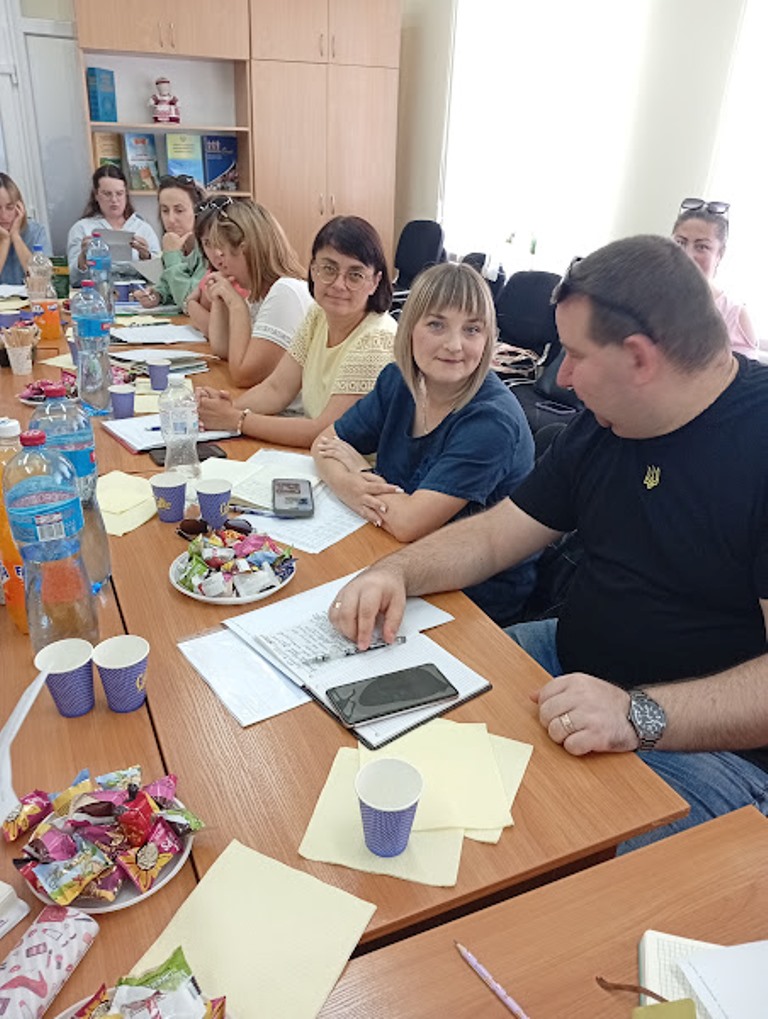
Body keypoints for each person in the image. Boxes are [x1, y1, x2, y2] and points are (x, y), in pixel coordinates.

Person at [328, 234, 768, 852]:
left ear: (639, 358)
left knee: (549, 858)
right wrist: (395, 572)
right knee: (390, 717)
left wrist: (635, 714)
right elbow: (496, 535)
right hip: (568, 665)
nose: (561, 376)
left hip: (703, 741)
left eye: (576, 354)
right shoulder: (608, 422)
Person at [311, 261, 536, 624]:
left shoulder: (491, 421)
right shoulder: (399, 380)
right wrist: (353, 483)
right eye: (436, 324)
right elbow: (324, 442)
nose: (455, 345)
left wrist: (359, 470)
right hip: (395, 555)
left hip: (470, 597)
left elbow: (409, 523)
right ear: (410, 328)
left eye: (472, 329)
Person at [198, 215, 396, 448]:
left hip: (358, 464)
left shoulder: (376, 339)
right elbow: (277, 389)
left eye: (355, 275)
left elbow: (325, 431)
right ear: (313, 270)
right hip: (322, 457)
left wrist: (235, 419)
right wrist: (223, 409)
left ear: (375, 282)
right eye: (329, 269)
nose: (339, 284)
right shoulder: (318, 315)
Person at [198, 198, 311, 388]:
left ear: (246, 249)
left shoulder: (286, 291)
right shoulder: (260, 295)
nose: (220, 262)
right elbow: (222, 348)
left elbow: (243, 375)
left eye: (223, 252)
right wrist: (219, 299)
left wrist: (236, 305)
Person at [672, 197, 762, 359]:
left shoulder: (735, 316)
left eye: (702, 246)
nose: (687, 255)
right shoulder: (648, 299)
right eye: (680, 243)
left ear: (720, 254)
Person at [67, 165, 160, 284]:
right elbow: (72, 279)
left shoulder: (143, 228)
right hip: (98, 290)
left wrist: (146, 257)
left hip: (137, 292)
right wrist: (83, 257)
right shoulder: (82, 228)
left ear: (126, 194)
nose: (114, 200)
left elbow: (160, 277)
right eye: (107, 194)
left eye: (119, 193)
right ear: (96, 195)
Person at [132, 174, 207, 311]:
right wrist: (158, 295)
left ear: (198, 210)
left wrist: (172, 255)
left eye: (179, 210)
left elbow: (188, 301)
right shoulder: (175, 242)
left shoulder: (209, 247)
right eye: (165, 211)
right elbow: (169, 284)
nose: (171, 219)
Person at [0, 173, 49, 286]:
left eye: (10, 208)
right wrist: (5, 241)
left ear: (20, 207)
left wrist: (16, 237)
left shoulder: (36, 231)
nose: (4, 215)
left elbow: (44, 281)